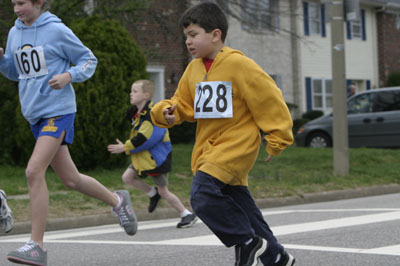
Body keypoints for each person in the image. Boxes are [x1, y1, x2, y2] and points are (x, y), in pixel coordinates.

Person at [150, 2, 296, 266]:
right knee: (240, 206)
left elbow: (269, 100)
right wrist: (165, 111)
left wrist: (277, 139)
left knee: (202, 196)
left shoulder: (240, 65)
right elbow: (183, 103)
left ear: (215, 34)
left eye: (193, 35)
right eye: (186, 37)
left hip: (237, 145)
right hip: (209, 148)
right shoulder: (194, 69)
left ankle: (248, 242)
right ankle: (276, 257)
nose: (188, 42)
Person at [0, 1, 137, 265]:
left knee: (33, 171)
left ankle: (37, 246)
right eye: (13, 2)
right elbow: (16, 73)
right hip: (35, 114)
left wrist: (68, 76)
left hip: (58, 111)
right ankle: (117, 200)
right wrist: (2, 61)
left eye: (22, 2)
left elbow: (89, 59)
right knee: (71, 179)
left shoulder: (56, 30)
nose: (16, 8)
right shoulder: (15, 32)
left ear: (39, 2)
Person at [108, 80, 198, 228]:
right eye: (131, 91)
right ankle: (152, 194)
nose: (131, 94)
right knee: (127, 177)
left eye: (135, 91)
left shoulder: (151, 115)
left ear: (146, 95)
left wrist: (124, 148)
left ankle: (186, 213)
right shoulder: (136, 113)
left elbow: (145, 139)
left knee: (164, 191)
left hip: (157, 159)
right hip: (144, 158)